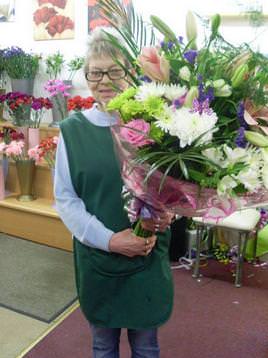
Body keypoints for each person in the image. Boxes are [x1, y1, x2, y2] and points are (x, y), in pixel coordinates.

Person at [54, 26, 174, 358]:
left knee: (147, 346)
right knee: (103, 346)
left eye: (115, 70)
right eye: (96, 72)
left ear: (131, 73)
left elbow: (174, 186)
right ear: (86, 76)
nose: (105, 80)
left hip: (146, 258)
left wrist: (170, 212)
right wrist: (110, 239)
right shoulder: (72, 131)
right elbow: (66, 199)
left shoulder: (155, 123)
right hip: (99, 258)